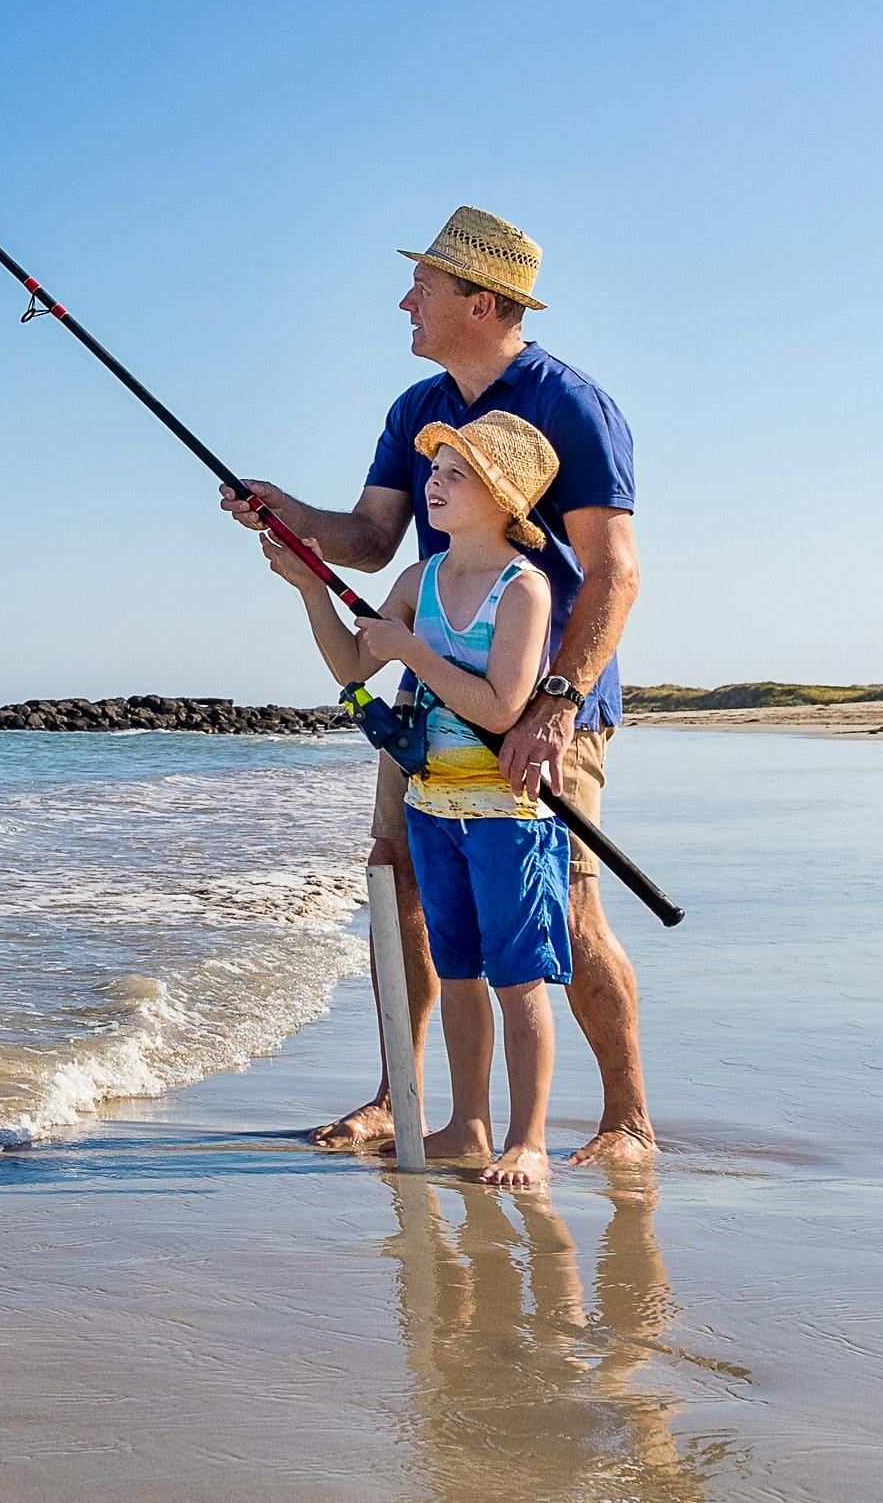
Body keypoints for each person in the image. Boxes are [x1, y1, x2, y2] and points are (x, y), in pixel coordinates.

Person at [223, 206, 652, 1165]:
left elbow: (615, 571)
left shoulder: (568, 405)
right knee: (400, 880)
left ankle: (624, 1118)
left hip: (547, 702)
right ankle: (400, 1096)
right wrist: (285, 515)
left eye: (424, 286)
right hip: (430, 708)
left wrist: (552, 703)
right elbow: (372, 541)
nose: (405, 300)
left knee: (567, 908)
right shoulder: (416, 411)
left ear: (481, 301)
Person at [269, 411, 568, 1187]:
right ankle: (465, 1122)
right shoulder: (417, 581)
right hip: (432, 811)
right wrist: (311, 589)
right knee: (459, 968)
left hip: (507, 818)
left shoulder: (523, 588)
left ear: (502, 496)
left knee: (517, 977)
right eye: (432, 470)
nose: (432, 483)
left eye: (454, 473)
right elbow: (350, 665)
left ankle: (526, 1139)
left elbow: (503, 707)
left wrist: (409, 651)